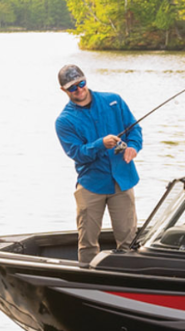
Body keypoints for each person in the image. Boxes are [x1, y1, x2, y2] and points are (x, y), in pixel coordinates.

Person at [54, 64, 143, 265]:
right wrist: (100, 144)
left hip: (122, 180)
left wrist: (133, 146)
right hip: (91, 184)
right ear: (63, 90)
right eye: (72, 87)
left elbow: (135, 130)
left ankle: (128, 274)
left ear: (86, 80)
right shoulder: (64, 121)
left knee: (128, 240)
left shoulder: (114, 100)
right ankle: (88, 275)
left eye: (81, 83)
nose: (79, 89)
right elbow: (77, 153)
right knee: (87, 242)